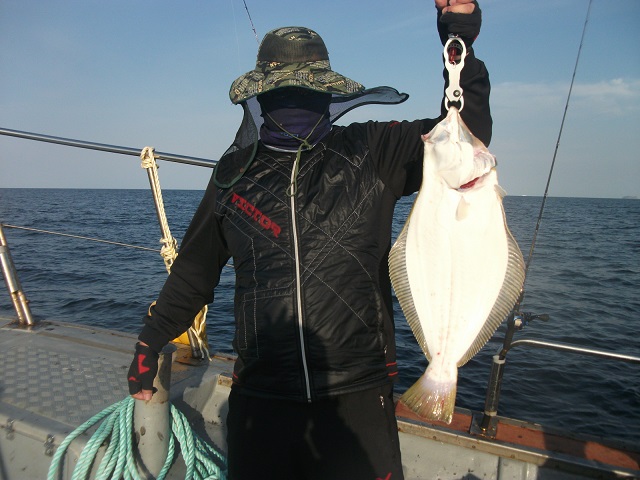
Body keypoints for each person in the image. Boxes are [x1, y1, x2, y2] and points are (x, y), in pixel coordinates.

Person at [127, 0, 490, 478]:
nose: (294, 101)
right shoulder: (233, 175)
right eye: (284, 92)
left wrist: (458, 39)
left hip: (357, 394)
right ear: (262, 96)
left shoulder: (374, 149)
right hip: (261, 398)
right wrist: (150, 341)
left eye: (305, 90)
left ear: (325, 93)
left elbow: (465, 137)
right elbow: (195, 271)